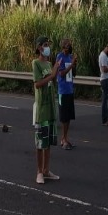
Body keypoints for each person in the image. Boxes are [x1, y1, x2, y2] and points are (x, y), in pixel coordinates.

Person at [32, 35, 62, 184]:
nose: (47, 47)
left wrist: (55, 72)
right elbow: (37, 84)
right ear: (39, 48)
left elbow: (53, 80)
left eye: (48, 44)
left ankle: (46, 169)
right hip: (41, 108)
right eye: (45, 44)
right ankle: (39, 171)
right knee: (40, 141)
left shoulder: (50, 64)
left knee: (48, 141)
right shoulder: (36, 63)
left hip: (51, 106)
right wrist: (52, 75)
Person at [56, 38, 77, 150]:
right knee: (64, 117)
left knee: (68, 117)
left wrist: (75, 65)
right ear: (63, 46)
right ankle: (63, 139)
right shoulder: (60, 57)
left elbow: (74, 75)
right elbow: (62, 73)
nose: (69, 46)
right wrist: (71, 64)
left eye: (70, 44)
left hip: (70, 89)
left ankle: (66, 138)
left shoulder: (70, 57)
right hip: (63, 90)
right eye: (68, 45)